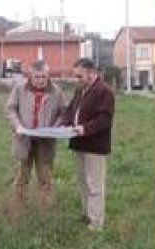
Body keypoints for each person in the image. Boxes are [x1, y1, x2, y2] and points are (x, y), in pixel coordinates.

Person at [62, 58, 115, 231]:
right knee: (82, 181)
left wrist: (83, 129)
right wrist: (64, 125)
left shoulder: (104, 91)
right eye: (76, 76)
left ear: (91, 72)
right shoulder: (80, 90)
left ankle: (96, 223)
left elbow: (104, 120)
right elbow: (71, 111)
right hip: (78, 143)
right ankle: (87, 214)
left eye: (79, 76)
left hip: (94, 146)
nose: (77, 79)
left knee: (94, 184)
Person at [5, 60, 66, 206]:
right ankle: (19, 208)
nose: (40, 80)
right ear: (30, 76)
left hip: (45, 142)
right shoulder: (19, 89)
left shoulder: (56, 92)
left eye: (44, 77)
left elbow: (64, 113)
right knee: (21, 178)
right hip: (23, 140)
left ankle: (45, 210)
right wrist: (17, 126)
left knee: (45, 178)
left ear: (48, 75)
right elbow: (10, 109)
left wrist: (54, 129)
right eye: (37, 77)